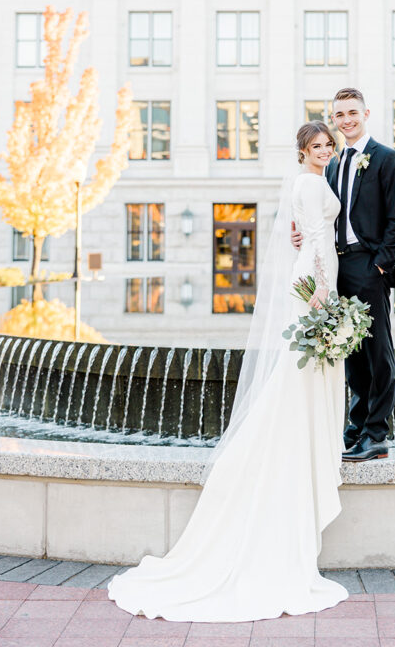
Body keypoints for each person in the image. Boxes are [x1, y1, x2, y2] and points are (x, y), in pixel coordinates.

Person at [107, 122, 348, 622]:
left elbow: (306, 232)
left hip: (313, 273)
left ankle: (301, 440)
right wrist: (326, 292)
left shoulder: (312, 180)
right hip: (317, 279)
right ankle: (299, 444)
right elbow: (318, 241)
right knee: (301, 371)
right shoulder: (307, 181)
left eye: (328, 145)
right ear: (302, 149)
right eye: (316, 146)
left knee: (300, 370)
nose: (324, 151)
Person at [293, 88, 395, 462]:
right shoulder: (333, 163)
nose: (346, 120)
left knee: (378, 353)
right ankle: (356, 428)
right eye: (339, 114)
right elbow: (321, 218)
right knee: (352, 352)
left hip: (368, 266)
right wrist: (303, 237)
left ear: (366, 113)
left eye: (352, 113)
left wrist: (379, 265)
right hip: (337, 265)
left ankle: (376, 434)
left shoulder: (386, 159)